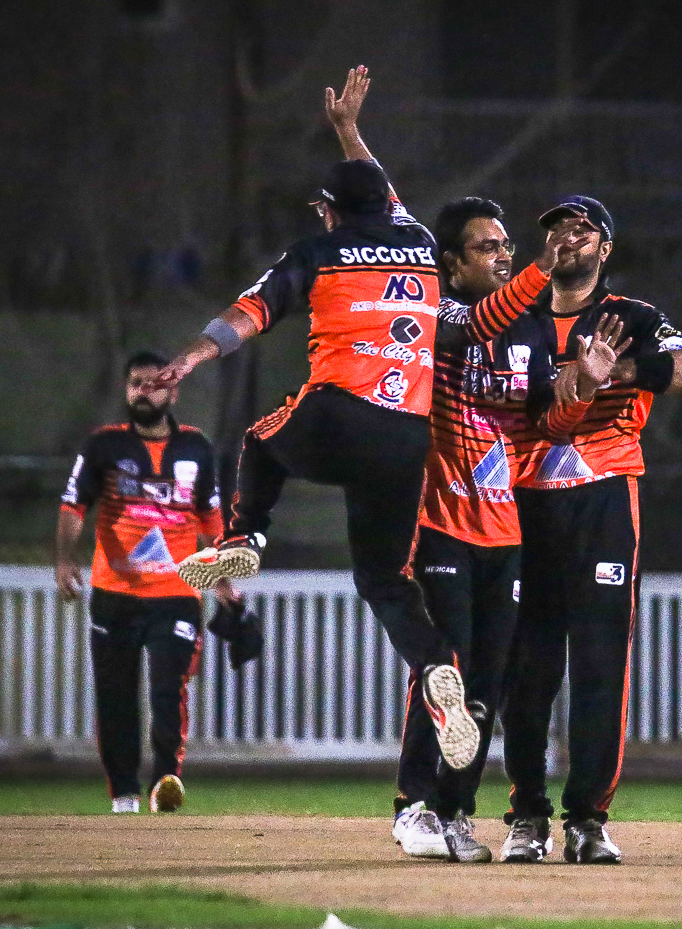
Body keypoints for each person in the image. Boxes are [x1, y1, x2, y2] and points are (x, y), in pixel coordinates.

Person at [149, 66, 478, 772]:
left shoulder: (318, 252)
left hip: (339, 414)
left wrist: (194, 354)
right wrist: (349, 131)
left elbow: (252, 312)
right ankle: (438, 670)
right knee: (385, 580)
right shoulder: (421, 243)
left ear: (328, 212)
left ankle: (245, 539)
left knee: (261, 442)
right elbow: (382, 192)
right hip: (406, 439)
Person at [313, 69, 589, 862]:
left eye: (506, 246)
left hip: (503, 531)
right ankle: (413, 805)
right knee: (446, 671)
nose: (502, 256)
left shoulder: (531, 331)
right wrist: (351, 136)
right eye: (487, 246)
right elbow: (394, 213)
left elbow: (543, 424)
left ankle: (456, 811)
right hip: (438, 523)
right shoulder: (434, 307)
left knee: (488, 684)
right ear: (449, 259)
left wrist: (582, 390)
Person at [498, 196, 682, 864]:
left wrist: (609, 369)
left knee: (599, 663)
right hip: (524, 502)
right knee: (528, 670)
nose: (568, 238)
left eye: (583, 230)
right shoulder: (516, 318)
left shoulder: (633, 317)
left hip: (604, 499)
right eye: (557, 229)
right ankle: (527, 815)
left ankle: (587, 818)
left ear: (605, 247)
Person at [56, 351, 238, 814]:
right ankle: (124, 795)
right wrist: (64, 559)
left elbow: (211, 517)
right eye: (135, 383)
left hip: (176, 594)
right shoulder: (103, 446)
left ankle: (165, 783)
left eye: (153, 383)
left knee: (167, 690)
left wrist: (221, 579)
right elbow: (74, 505)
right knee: (115, 697)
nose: (143, 391)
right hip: (113, 593)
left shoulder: (196, 447)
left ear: (173, 391)